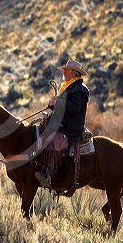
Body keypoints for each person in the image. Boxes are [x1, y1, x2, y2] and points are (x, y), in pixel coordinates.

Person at [35, 60, 90, 188]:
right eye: (64, 70)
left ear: (74, 74)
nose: (64, 72)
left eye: (67, 70)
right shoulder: (67, 86)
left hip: (72, 127)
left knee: (54, 139)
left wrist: (57, 103)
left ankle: (48, 174)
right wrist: (53, 104)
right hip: (63, 124)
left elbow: (74, 108)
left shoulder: (80, 90)